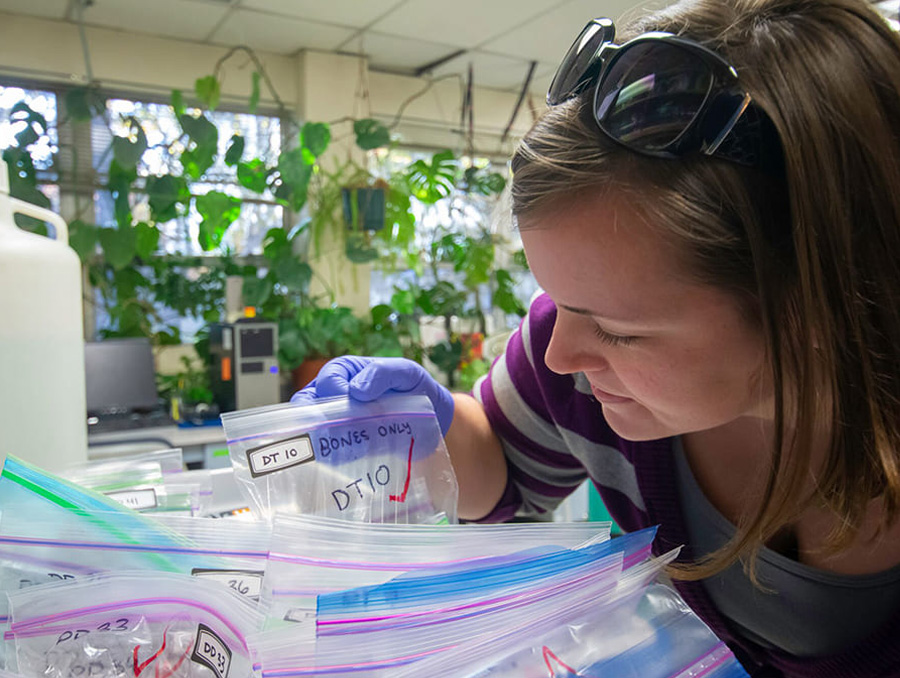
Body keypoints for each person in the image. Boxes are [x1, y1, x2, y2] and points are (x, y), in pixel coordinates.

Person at [291, 0, 900, 675]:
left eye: (618, 330)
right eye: (559, 299)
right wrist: (425, 435)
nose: (559, 354)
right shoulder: (569, 356)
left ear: (814, 309)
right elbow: (503, 464)